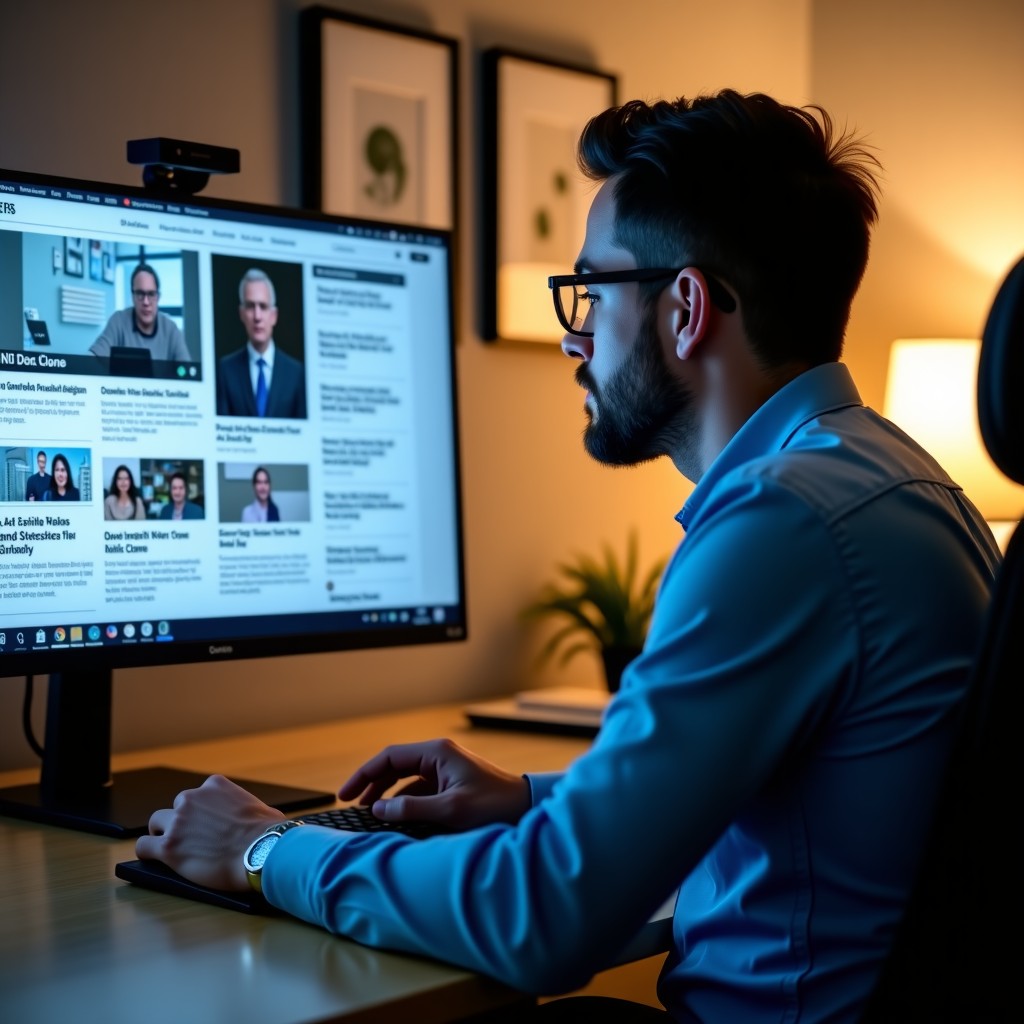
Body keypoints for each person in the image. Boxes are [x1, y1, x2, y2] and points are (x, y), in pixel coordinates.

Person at [136, 90, 1001, 1022]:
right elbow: (775, 785)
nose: (571, 337)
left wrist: (267, 851)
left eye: (593, 291)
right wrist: (528, 799)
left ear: (686, 308)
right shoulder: (899, 477)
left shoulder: (780, 524)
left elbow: (544, 921)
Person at [215, 268, 306, 419]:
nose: (257, 316)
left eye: (263, 307)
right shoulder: (225, 370)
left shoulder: (296, 373)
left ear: (274, 316)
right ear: (241, 314)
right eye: (250, 306)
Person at [90, 263, 191, 362]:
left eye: (151, 294)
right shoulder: (118, 321)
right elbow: (95, 356)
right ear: (132, 296)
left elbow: (186, 370)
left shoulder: (171, 329)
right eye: (140, 294)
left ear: (158, 297)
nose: (146, 302)